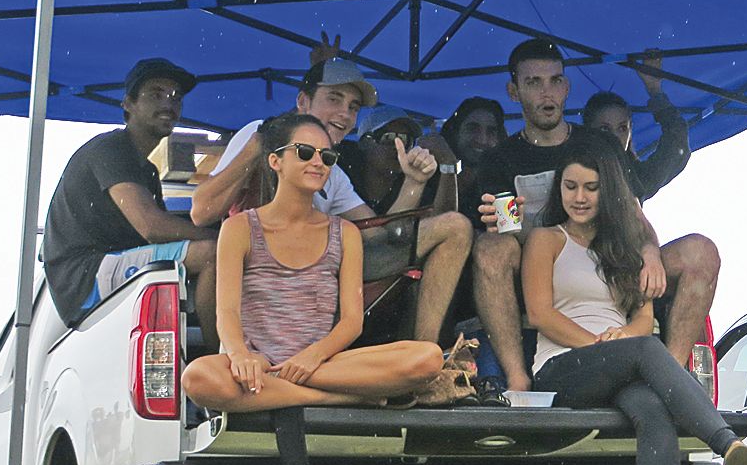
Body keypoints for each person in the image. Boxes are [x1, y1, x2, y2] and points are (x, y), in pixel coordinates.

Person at [521, 139, 747, 465]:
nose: (579, 197)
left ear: (605, 193)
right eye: (571, 186)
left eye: (590, 188)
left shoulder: (624, 251)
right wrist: (604, 345)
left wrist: (626, 341)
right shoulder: (546, 239)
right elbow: (540, 314)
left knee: (651, 408)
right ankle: (725, 443)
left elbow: (640, 318)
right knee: (647, 352)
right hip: (562, 367)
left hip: (620, 363)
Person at [471, 39, 720, 393]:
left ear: (567, 87)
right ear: (514, 91)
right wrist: (512, 228)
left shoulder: (599, 146)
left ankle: (671, 377)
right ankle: (516, 379)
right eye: (533, 82)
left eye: (555, 81)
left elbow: (634, 215)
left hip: (613, 264)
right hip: (546, 274)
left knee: (701, 251)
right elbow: (509, 234)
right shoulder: (501, 160)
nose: (547, 92)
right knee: (490, 248)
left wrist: (649, 252)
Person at [191, 46, 472, 347]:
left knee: (455, 226)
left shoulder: (332, 171)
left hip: (322, 282)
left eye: (353, 107)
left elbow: (380, 233)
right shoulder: (259, 134)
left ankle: (424, 359)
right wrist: (259, 146)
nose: (344, 114)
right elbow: (201, 212)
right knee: (211, 375)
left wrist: (414, 184)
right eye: (334, 99)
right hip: (264, 287)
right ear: (302, 101)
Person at [182, 113, 443, 414]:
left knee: (428, 358)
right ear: (275, 161)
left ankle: (279, 386)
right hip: (257, 362)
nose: (318, 162)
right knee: (198, 378)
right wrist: (240, 355)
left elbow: (351, 323)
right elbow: (226, 311)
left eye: (328, 156)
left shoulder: (344, 233)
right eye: (305, 152)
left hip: (321, 364)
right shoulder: (240, 228)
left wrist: (312, 357)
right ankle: (339, 398)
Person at [42, 58, 219, 336]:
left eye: (176, 97)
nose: (168, 104)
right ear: (128, 104)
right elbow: (153, 228)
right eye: (156, 94)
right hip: (85, 277)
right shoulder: (111, 148)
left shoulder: (146, 169)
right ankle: (217, 362)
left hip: (105, 267)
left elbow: (165, 237)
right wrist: (224, 237)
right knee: (212, 253)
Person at [581, 57, 692, 202]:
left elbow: (677, 146)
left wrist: (654, 90)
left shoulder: (637, 178)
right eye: (605, 129)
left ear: (630, 132)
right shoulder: (568, 174)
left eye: (622, 128)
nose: (614, 136)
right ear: (589, 133)